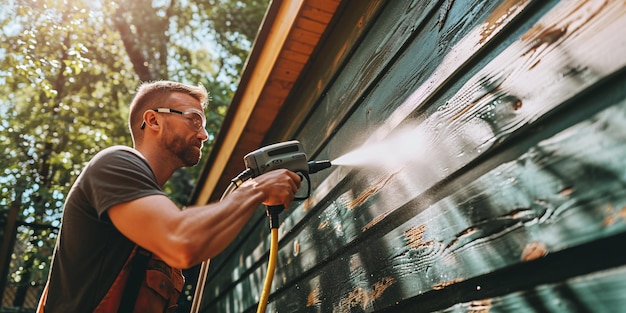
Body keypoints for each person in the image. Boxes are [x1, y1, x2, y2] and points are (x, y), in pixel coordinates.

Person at [37, 80, 301, 312]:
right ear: (153, 120)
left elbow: (190, 245)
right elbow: (182, 241)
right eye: (194, 119)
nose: (204, 134)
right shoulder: (114, 163)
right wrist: (257, 189)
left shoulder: (153, 212)